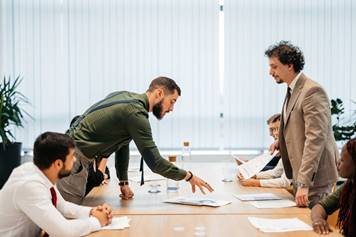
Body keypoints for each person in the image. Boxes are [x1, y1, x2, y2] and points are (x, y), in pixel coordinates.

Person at [57, 76, 214, 204]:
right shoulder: (136, 114)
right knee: (68, 215)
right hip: (72, 159)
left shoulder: (126, 97)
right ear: (159, 93)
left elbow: (122, 144)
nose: (172, 109)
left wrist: (123, 182)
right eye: (172, 101)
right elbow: (155, 163)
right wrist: (189, 176)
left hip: (71, 152)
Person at [266, 41, 338, 208]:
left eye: (274, 67)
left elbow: (316, 138)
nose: (270, 72)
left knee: (311, 227)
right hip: (301, 175)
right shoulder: (293, 89)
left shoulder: (311, 91)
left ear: (290, 65)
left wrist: (304, 184)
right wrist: (281, 142)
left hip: (315, 178)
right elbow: (297, 126)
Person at [0, 132, 113, 237]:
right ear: (58, 163)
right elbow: (64, 231)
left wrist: (92, 211)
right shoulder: (29, 185)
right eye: (72, 156)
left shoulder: (42, 172)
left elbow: (62, 206)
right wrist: (97, 221)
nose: (74, 160)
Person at [311, 138, 356, 236]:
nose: (338, 162)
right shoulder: (349, 186)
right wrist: (317, 219)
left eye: (343, 160)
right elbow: (320, 206)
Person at [239, 114, 291, 188]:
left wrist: (255, 182)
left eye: (277, 129)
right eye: (272, 129)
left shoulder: (292, 148)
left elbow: (284, 182)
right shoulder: (283, 147)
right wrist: (254, 176)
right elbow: (276, 172)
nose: (274, 133)